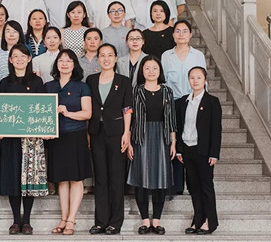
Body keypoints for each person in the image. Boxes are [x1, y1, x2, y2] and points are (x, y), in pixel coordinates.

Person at [0, 44, 47, 235]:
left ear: (29, 59)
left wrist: (45, 128)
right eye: (15, 56)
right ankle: (15, 221)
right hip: (10, 139)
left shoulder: (37, 82)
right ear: (10, 60)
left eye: (23, 56)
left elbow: (43, 108)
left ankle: (26, 221)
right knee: (13, 177)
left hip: (31, 139)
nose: (19, 59)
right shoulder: (4, 82)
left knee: (29, 178)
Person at [86, 44, 133, 235]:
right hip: (96, 133)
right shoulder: (91, 80)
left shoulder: (124, 81)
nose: (106, 59)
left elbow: (127, 108)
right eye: (102, 55)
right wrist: (88, 133)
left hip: (116, 133)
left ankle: (115, 222)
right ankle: (100, 222)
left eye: (110, 55)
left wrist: (127, 132)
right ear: (98, 59)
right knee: (100, 178)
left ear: (115, 59)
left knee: (116, 177)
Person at [127, 55, 177, 236]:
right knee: (141, 178)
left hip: (162, 137)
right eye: (147, 68)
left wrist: (173, 141)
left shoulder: (167, 91)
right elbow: (130, 117)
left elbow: (171, 118)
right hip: (141, 137)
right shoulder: (136, 91)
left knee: (160, 178)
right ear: (142, 71)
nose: (151, 71)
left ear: (160, 71)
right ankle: (144, 221)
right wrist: (129, 141)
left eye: (154, 68)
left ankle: (156, 220)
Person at [44, 49, 92, 236]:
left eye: (69, 60)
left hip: (76, 136)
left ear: (74, 65)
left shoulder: (82, 87)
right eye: (61, 60)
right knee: (62, 180)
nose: (64, 63)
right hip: (56, 137)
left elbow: (87, 113)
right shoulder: (48, 86)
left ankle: (72, 219)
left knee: (76, 179)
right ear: (56, 64)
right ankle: (63, 219)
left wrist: (67, 113)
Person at [161, 20, 207, 196]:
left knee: (192, 139)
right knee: (175, 140)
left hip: (192, 101)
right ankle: (176, 184)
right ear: (173, 34)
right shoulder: (166, 55)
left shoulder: (198, 55)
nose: (181, 34)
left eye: (185, 31)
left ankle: (194, 181)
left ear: (190, 34)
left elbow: (202, 80)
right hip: (172, 102)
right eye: (177, 31)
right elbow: (163, 81)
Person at [176, 66, 222, 235]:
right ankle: (198, 220)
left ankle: (210, 221)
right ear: (188, 80)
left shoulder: (212, 102)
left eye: (199, 78)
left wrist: (214, 153)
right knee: (193, 187)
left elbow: (216, 130)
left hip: (203, 151)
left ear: (205, 80)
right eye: (192, 78)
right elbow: (179, 127)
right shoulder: (183, 102)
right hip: (187, 150)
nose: (195, 81)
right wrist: (179, 150)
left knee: (206, 187)